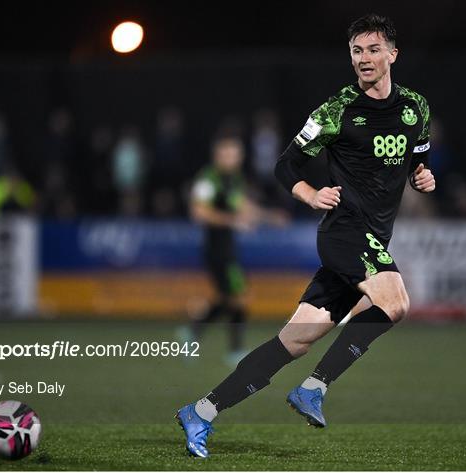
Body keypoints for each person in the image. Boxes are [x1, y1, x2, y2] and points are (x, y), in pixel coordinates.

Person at [175, 13, 436, 458]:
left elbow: (415, 161)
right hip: (344, 232)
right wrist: (311, 193)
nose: (364, 59)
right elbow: (284, 164)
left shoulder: (416, 109)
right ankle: (314, 387)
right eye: (357, 51)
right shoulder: (336, 111)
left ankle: (201, 411)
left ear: (393, 53)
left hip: (372, 239)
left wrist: (422, 177)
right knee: (395, 301)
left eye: (374, 49)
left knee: (293, 340)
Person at [186, 135, 287, 366]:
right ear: (217, 156)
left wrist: (270, 217)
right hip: (216, 249)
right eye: (227, 154)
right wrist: (232, 220)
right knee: (239, 296)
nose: (231, 159)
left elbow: (243, 207)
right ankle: (235, 350)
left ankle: (193, 332)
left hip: (227, 247)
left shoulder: (234, 179)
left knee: (227, 298)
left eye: (235, 155)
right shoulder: (209, 179)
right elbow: (198, 212)